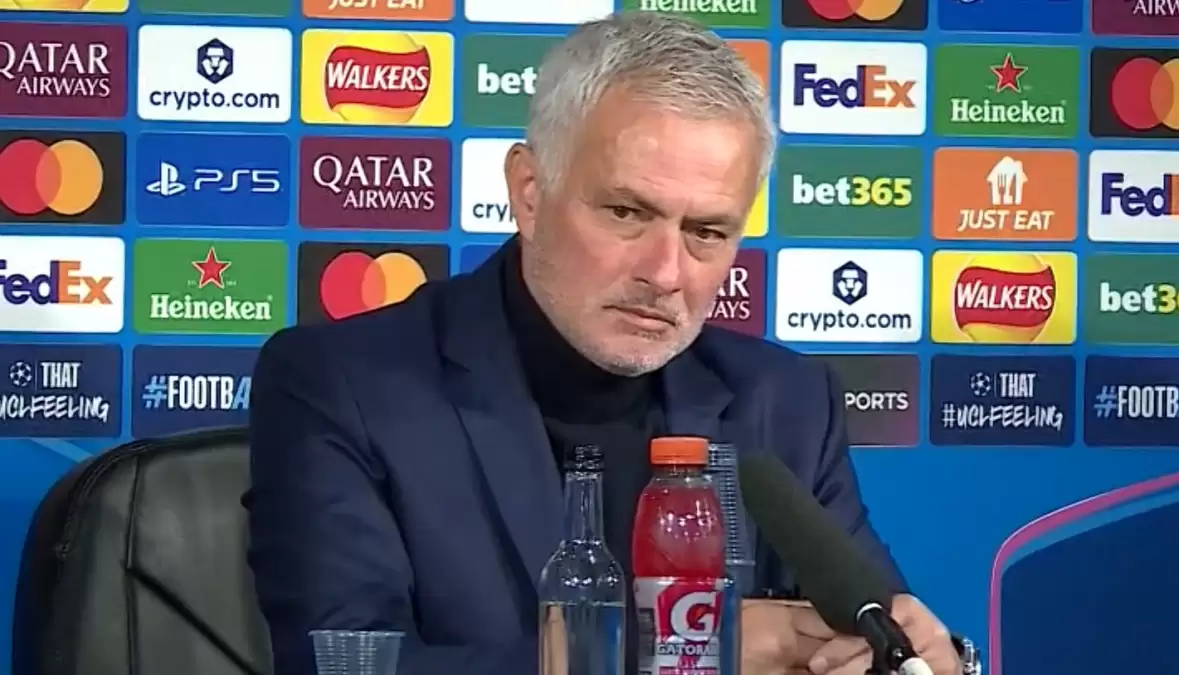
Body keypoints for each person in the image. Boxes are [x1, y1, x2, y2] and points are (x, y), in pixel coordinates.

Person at [245, 11, 965, 675]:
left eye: (706, 231)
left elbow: (875, 630)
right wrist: (689, 650)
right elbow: (344, 664)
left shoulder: (785, 402)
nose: (665, 273)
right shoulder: (346, 385)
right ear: (529, 192)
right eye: (626, 212)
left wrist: (915, 656)